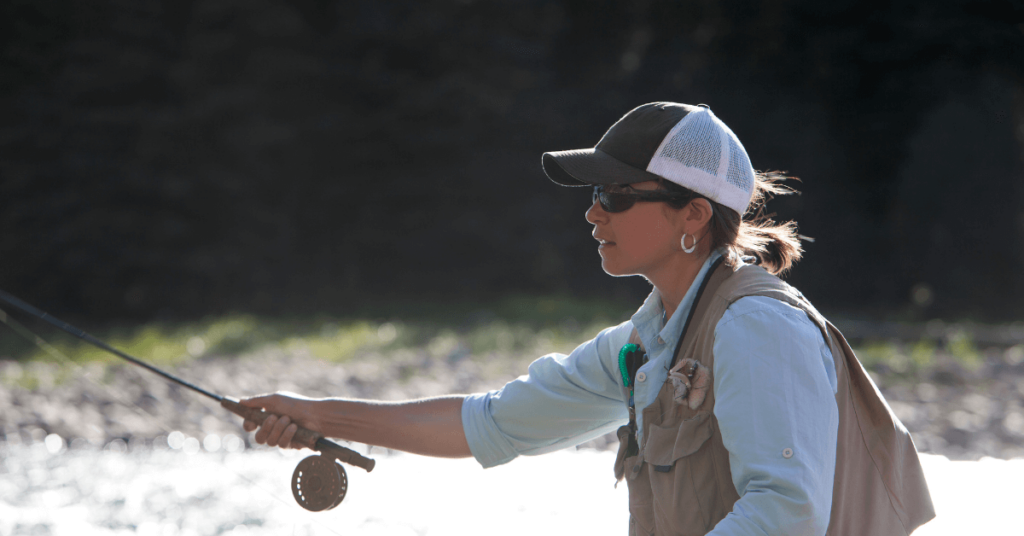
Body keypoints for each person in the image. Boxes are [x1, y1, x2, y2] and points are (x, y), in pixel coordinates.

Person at [241, 102, 934, 535]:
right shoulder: (646, 342)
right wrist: (319, 415)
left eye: (615, 194)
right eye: (593, 194)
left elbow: (787, 514)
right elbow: (490, 422)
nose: (592, 211)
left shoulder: (756, 327)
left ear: (693, 214)